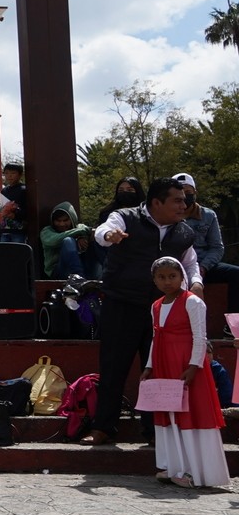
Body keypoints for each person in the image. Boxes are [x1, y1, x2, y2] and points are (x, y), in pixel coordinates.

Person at [88, 177, 200, 446]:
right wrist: (109, 235)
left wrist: (196, 282)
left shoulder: (184, 232)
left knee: (158, 370)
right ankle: (103, 427)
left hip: (161, 311)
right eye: (177, 200)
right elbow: (102, 231)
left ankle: (154, 431)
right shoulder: (125, 217)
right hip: (122, 305)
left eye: (184, 200)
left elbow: (190, 263)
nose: (183, 204)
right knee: (114, 367)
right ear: (156, 202)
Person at [145, 257, 230, 489]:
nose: (167, 281)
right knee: (169, 414)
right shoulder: (156, 305)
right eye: (161, 277)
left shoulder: (193, 302)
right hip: (164, 365)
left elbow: (200, 337)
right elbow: (156, 337)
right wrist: (149, 366)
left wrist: (194, 366)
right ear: (154, 280)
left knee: (191, 413)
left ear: (182, 276)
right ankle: (172, 466)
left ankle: (194, 470)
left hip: (185, 366)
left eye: (172, 276)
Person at [176, 174, 239, 294]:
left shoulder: (208, 215)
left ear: (195, 192)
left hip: (204, 265)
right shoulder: (168, 216)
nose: (184, 196)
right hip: (176, 267)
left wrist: (203, 267)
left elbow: (217, 247)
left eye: (188, 191)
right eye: (181, 192)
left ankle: (233, 313)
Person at [40, 202, 92, 278]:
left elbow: (87, 230)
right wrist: (77, 234)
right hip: (60, 271)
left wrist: (82, 237)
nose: (61, 224)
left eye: (65, 221)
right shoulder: (47, 231)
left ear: (72, 219)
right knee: (68, 241)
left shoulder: (80, 228)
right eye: (58, 221)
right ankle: (78, 278)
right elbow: (54, 241)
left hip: (86, 267)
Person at [0, 163, 27, 243]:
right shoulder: (3, 191)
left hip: (19, 230)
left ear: (20, 174)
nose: (9, 176)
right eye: (6, 173)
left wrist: (15, 215)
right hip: (5, 229)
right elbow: (2, 208)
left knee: (17, 253)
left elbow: (28, 209)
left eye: (13, 173)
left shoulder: (23, 190)